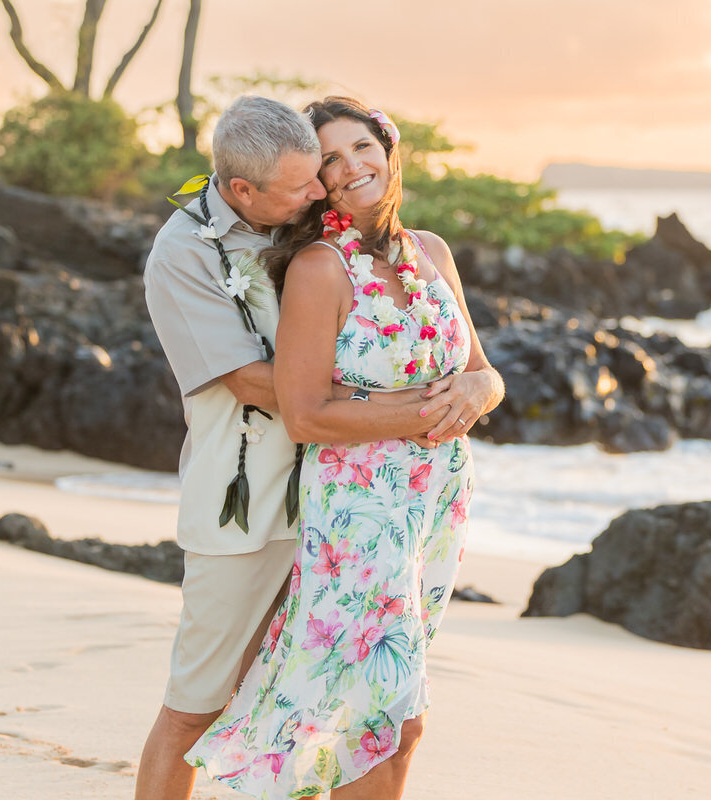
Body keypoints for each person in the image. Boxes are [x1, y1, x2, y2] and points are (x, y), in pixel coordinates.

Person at [136, 96, 456, 800]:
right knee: (201, 703)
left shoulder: (308, 216)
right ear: (243, 190)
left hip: (346, 506)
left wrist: (469, 383)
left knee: (347, 709)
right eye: (305, 182)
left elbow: (377, 275)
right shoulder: (184, 253)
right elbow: (261, 384)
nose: (322, 190)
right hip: (245, 511)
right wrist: (415, 405)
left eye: (322, 173)